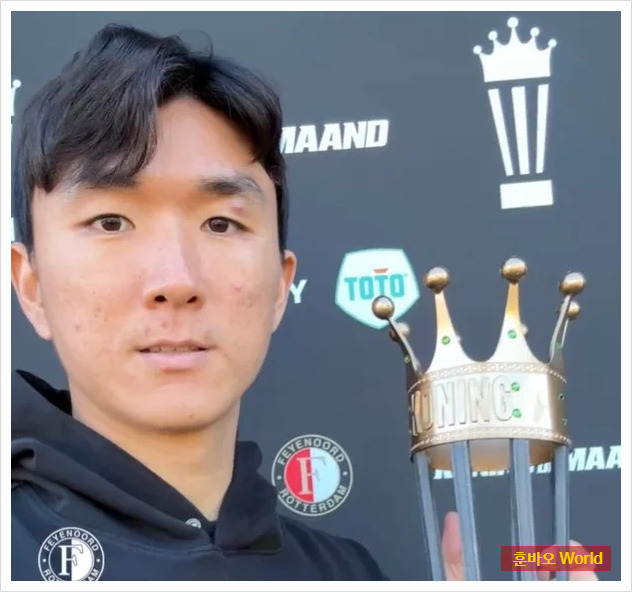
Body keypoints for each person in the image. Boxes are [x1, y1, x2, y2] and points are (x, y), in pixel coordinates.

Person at [10, 23, 597, 582]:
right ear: (30, 285)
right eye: (111, 222)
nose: (176, 278)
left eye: (221, 223)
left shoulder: (346, 573)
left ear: (280, 287)